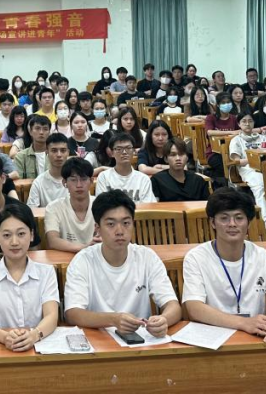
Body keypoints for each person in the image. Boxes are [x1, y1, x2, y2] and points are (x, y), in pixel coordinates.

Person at [64, 190, 182, 338]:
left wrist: (164, 320)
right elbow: (73, 313)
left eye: (126, 223)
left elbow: (173, 306)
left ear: (133, 224)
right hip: (99, 339)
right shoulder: (83, 261)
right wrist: (113, 319)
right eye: (111, 224)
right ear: (97, 228)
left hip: (141, 340)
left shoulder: (147, 257)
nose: (119, 231)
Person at [182, 189, 266, 343]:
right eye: (224, 218)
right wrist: (244, 323)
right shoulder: (196, 258)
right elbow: (194, 308)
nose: (232, 224)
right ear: (212, 222)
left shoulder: (262, 256)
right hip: (213, 337)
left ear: (248, 222)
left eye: (239, 218)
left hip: (255, 337)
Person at [0, 204, 60, 352]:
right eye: (7, 235)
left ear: (31, 235)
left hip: (38, 348)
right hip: (1, 350)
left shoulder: (46, 273)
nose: (14, 242)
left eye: (21, 234)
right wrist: (4, 337)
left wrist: (34, 335)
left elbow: (52, 316)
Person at [227, 112, 266, 226]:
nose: (247, 124)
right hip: (248, 170)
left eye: (250, 121)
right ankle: (265, 222)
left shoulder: (262, 138)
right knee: (260, 184)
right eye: (244, 121)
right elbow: (237, 161)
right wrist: (254, 160)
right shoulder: (236, 140)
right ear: (239, 124)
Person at [45, 158, 98, 252]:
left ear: (91, 181)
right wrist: (85, 248)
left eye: (84, 179)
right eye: (73, 180)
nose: (79, 185)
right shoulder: (53, 208)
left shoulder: (101, 205)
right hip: (66, 257)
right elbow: (53, 241)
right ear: (64, 183)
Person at [95, 133, 155, 202]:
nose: (124, 152)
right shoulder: (104, 177)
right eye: (119, 149)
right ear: (112, 153)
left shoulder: (143, 179)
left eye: (128, 148)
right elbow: (102, 204)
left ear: (134, 151)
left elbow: (147, 206)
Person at [151, 138, 210, 202]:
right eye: (173, 155)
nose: (178, 158)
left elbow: (207, 204)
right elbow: (154, 205)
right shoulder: (157, 180)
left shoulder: (198, 181)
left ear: (187, 157)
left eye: (181, 154)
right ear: (166, 159)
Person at [26, 133, 69, 208]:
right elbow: (33, 211)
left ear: (68, 152)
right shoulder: (38, 182)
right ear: (47, 152)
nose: (59, 155)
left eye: (63, 150)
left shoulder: (77, 180)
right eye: (54, 151)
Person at [14, 114, 52, 179]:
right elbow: (19, 181)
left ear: (49, 132)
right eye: (37, 128)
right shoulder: (21, 157)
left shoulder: (55, 155)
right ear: (30, 132)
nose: (41, 132)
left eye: (45, 129)